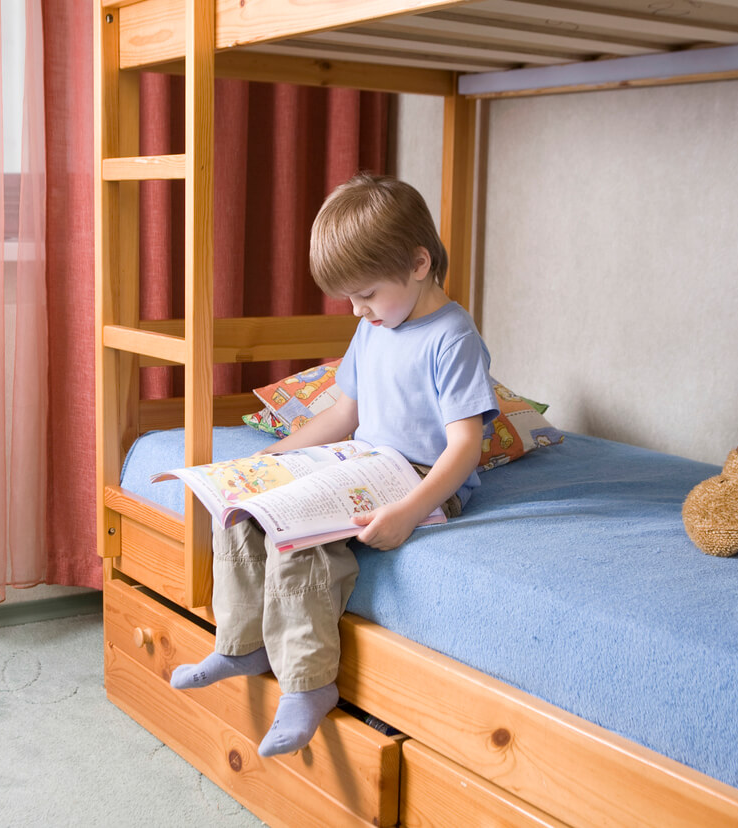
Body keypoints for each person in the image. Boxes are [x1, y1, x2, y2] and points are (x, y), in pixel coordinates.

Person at [170, 174, 499, 756]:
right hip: (362, 461)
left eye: (367, 294)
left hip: (421, 479)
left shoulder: (452, 337)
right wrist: (274, 456)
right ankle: (243, 643)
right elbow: (344, 412)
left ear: (419, 263)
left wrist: (407, 512)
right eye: (350, 299)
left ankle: (309, 685)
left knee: (300, 539)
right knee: (249, 508)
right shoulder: (371, 330)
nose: (358, 310)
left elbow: (464, 447)